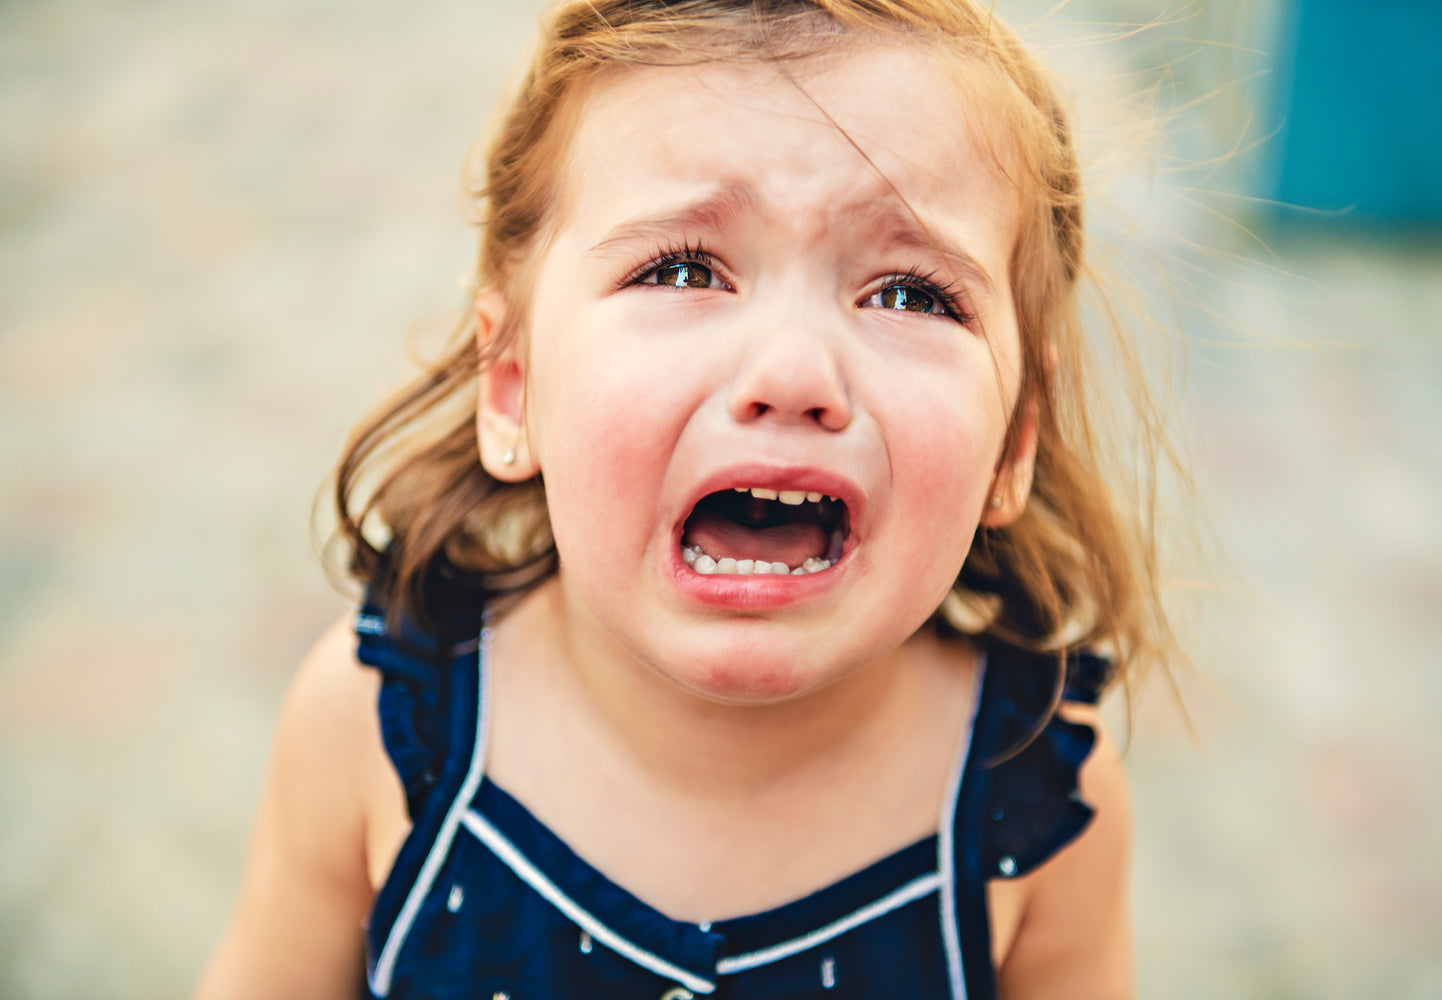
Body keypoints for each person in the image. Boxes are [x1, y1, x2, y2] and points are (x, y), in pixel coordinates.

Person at [197, 1, 1181, 997]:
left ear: (1014, 439)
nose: (793, 370)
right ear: (513, 389)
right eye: (681, 269)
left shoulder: (1042, 799)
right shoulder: (371, 725)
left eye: (910, 293)